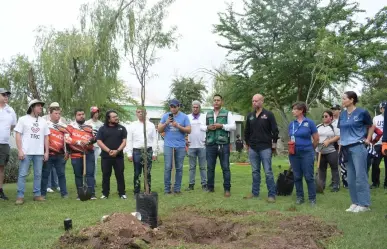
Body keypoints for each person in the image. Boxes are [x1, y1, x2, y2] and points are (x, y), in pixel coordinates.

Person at [339, 91, 373, 213]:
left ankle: (364, 204)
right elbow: (341, 131)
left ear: (352, 100)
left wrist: (368, 139)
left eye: (344, 98)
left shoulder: (362, 112)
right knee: (350, 177)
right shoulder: (342, 114)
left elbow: (371, 126)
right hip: (346, 148)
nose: (342, 101)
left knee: (360, 176)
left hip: (358, 146)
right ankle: (355, 202)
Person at [244, 94, 279, 202]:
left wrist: (273, 145)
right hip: (253, 148)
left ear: (262, 101)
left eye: (256, 101)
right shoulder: (250, 116)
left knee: (268, 171)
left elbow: (275, 131)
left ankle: (271, 195)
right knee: (255, 172)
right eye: (253, 101)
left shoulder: (269, 114)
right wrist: (247, 144)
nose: (254, 103)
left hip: (265, 147)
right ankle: (255, 193)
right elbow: (246, 131)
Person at [14, 99, 50, 205]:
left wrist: (46, 151)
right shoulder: (23, 119)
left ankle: (37, 195)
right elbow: (17, 135)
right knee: (22, 174)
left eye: (41, 106)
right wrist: (20, 150)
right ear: (32, 107)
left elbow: (46, 137)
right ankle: (20, 196)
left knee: (38, 174)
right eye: (38, 106)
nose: (40, 108)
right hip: (26, 152)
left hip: (39, 152)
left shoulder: (43, 121)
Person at [288, 102, 319, 206]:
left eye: (295, 109)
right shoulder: (292, 124)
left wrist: (310, 149)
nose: (293, 111)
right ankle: (300, 197)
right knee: (297, 176)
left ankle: (312, 199)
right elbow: (291, 138)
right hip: (294, 153)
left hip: (307, 152)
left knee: (308, 176)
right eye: (292, 109)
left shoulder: (309, 122)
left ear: (301, 110)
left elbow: (316, 139)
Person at [205, 94, 236, 197]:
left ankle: (227, 189)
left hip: (223, 144)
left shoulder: (227, 113)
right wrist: (207, 127)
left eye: (218, 100)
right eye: (214, 100)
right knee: (210, 167)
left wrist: (222, 126)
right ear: (212, 102)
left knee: (225, 167)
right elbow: (202, 127)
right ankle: (210, 188)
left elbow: (233, 126)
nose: (216, 102)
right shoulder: (208, 114)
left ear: (221, 102)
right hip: (210, 144)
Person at [158, 99, 191, 194]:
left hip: (180, 145)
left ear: (178, 106)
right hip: (168, 145)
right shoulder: (165, 116)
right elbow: (159, 130)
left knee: (179, 168)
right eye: (171, 106)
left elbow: (189, 130)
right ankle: (167, 189)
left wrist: (178, 126)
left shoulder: (184, 117)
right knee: (168, 167)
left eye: (174, 106)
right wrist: (166, 123)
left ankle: (177, 189)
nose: (172, 108)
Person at [65, 109, 97, 200]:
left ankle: (92, 194)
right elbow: (67, 139)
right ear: (75, 116)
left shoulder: (90, 126)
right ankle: (80, 194)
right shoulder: (70, 126)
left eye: (83, 114)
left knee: (90, 174)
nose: (81, 116)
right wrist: (79, 142)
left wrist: (89, 141)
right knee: (78, 174)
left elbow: (96, 137)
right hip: (76, 154)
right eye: (79, 114)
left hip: (89, 153)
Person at [126, 107, 157, 197]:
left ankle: (147, 190)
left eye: (142, 112)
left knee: (147, 172)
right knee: (137, 172)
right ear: (136, 113)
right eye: (138, 112)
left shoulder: (151, 125)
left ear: (146, 113)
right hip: (137, 151)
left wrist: (154, 152)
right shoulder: (132, 125)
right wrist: (129, 153)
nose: (140, 113)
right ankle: (136, 191)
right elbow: (129, 140)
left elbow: (154, 139)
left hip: (148, 150)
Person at [97, 110, 127, 199]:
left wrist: (117, 151)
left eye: (116, 116)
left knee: (120, 175)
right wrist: (109, 151)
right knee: (106, 175)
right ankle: (105, 194)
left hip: (119, 156)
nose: (116, 118)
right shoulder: (102, 129)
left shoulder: (122, 128)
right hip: (106, 157)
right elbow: (99, 141)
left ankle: (122, 193)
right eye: (114, 117)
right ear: (109, 119)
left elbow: (124, 142)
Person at [40, 103, 69, 199]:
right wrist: (44, 152)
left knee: (61, 174)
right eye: (56, 113)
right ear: (50, 114)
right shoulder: (45, 124)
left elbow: (67, 140)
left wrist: (67, 151)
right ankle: (43, 194)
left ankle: (64, 194)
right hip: (48, 154)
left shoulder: (63, 126)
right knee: (45, 174)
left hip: (60, 154)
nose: (58, 115)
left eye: (59, 113)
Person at [316, 110, 340, 192]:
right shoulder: (318, 126)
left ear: (331, 117)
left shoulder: (334, 127)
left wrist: (329, 141)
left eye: (326, 116)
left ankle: (335, 185)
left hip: (331, 151)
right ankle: (321, 185)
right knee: (321, 169)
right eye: (323, 116)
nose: (324, 118)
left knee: (334, 168)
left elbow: (338, 136)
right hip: (320, 151)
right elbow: (314, 136)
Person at [186, 100, 207, 191]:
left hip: (202, 146)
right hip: (191, 146)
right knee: (191, 167)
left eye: (197, 107)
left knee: (203, 167)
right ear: (192, 107)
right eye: (193, 107)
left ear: (199, 108)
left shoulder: (204, 117)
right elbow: (184, 130)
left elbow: (208, 128)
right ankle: (191, 185)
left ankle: (204, 185)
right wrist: (185, 140)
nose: (195, 109)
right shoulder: (187, 117)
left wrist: (207, 140)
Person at [0, 88, 17, 200]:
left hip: (4, 143)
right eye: (4, 94)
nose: (6, 97)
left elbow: (12, 126)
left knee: (1, 168)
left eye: (7, 95)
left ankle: (0, 190)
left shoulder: (10, 110)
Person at [369, 101, 387, 188]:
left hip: (386, 144)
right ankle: (375, 182)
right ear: (380, 109)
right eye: (383, 108)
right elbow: (372, 130)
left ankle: (386, 183)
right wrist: (372, 142)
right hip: (377, 144)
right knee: (375, 164)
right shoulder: (376, 118)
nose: (385, 109)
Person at [85, 106, 103, 186]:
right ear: (92, 113)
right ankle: (86, 179)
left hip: (97, 146)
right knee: (86, 162)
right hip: (88, 145)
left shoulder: (100, 124)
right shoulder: (87, 123)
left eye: (97, 112)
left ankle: (93, 179)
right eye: (95, 112)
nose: (97, 114)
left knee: (94, 163)